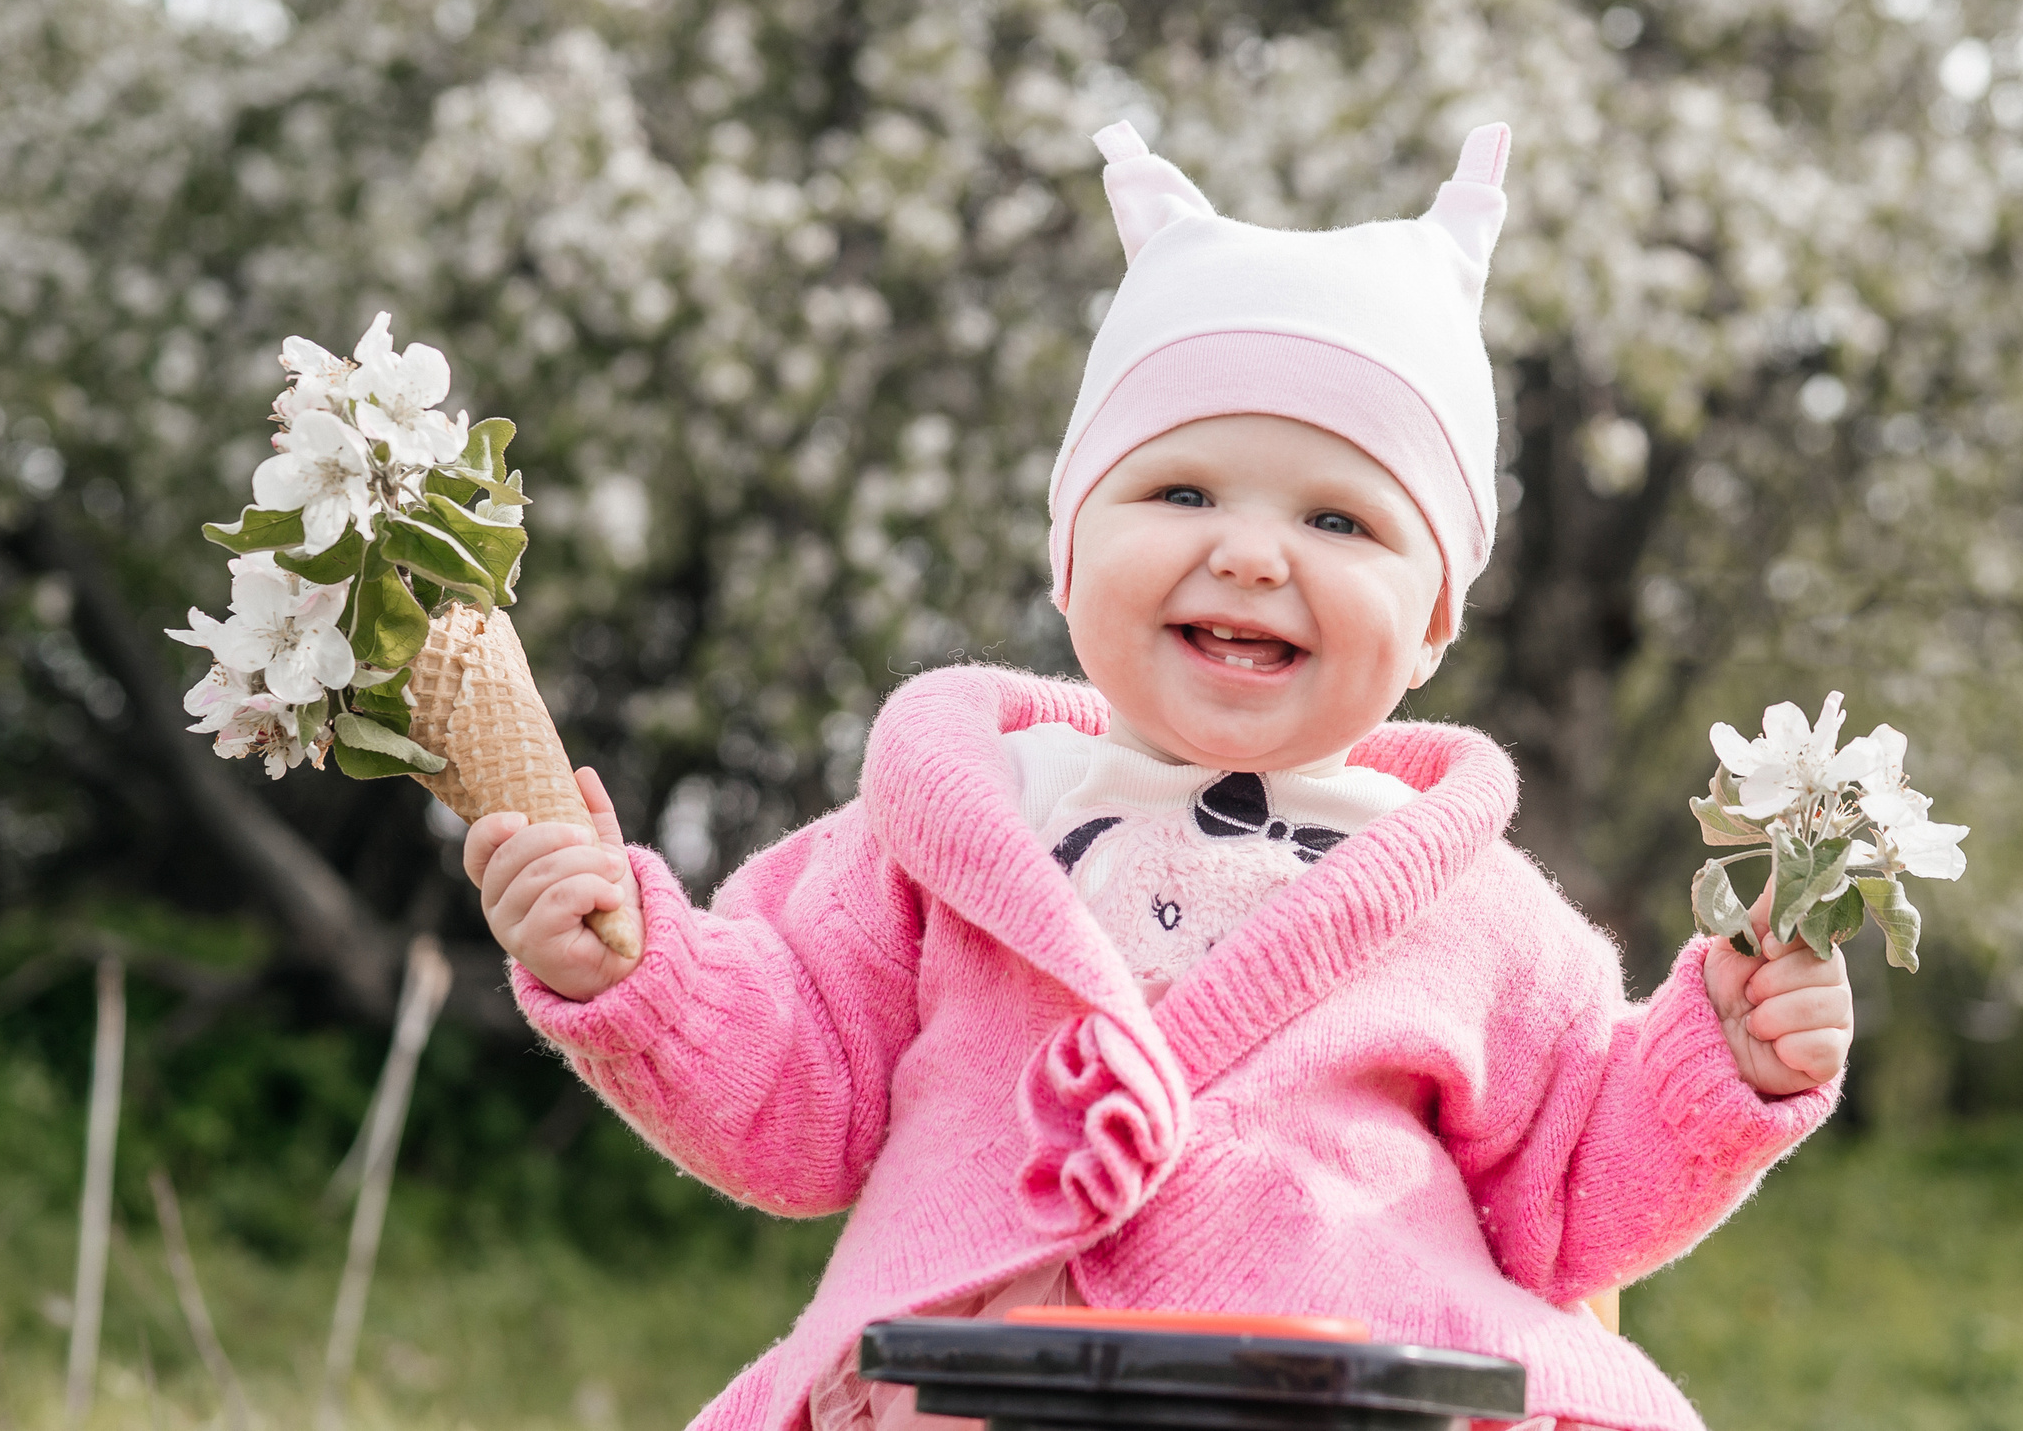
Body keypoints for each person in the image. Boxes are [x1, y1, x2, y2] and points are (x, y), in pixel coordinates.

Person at [463, 122, 1854, 1431]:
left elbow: (1568, 1200)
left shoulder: (1472, 909)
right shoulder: (952, 832)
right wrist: (635, 975)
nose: (1252, 552)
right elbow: (797, 1106)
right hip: (978, 1386)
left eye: (1340, 518)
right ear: (1070, 559)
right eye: (1182, 493)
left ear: (1434, 625)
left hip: (1348, 1392)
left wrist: (1718, 1063)